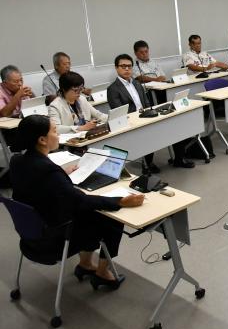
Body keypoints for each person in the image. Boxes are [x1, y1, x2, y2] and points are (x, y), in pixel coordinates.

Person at [10, 115, 144, 290]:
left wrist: (61, 174)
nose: (58, 135)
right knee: (111, 219)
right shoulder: (49, 171)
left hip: (31, 237)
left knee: (87, 213)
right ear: (42, 140)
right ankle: (102, 273)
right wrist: (120, 201)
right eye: (55, 131)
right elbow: (80, 200)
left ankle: (86, 264)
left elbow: (38, 182)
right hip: (53, 241)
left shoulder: (18, 161)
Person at [107, 54, 195, 170]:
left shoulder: (137, 84)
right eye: (123, 66)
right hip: (132, 123)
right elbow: (119, 112)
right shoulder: (113, 89)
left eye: (129, 66)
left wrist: (151, 113)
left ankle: (179, 159)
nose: (127, 69)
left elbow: (147, 102)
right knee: (148, 133)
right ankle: (147, 164)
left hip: (146, 116)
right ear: (116, 68)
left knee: (174, 125)